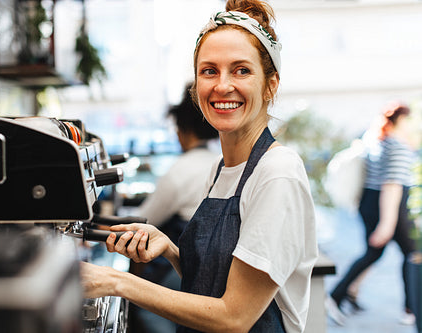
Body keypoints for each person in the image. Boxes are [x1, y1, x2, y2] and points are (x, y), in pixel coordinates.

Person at [80, 1, 318, 332]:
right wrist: (170, 250)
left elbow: (234, 316)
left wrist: (116, 282)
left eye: (241, 70)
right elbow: (215, 284)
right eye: (209, 71)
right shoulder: (221, 169)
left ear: (270, 85)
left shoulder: (276, 173)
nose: (222, 86)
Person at [134, 83, 219, 333]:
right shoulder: (219, 159)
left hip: (190, 266)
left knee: (145, 308)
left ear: (183, 130)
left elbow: (143, 219)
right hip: (214, 267)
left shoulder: (179, 171)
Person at [327, 102, 418, 326]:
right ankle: (412, 308)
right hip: (389, 206)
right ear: (402, 121)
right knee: (412, 253)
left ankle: (344, 293)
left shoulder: (376, 140)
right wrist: (387, 223)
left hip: (370, 204)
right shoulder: (397, 145)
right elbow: (392, 185)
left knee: (374, 252)